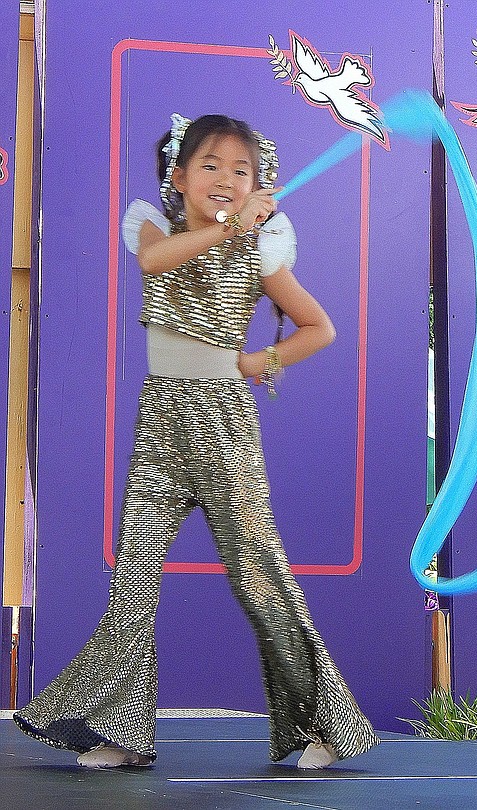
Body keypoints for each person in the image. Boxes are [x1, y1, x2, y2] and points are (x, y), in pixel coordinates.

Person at [13, 113, 380, 770]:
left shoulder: (259, 248)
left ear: (257, 186)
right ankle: (122, 733)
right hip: (160, 420)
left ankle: (330, 729)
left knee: (258, 579)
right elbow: (157, 262)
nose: (226, 179)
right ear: (179, 177)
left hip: (223, 424)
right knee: (134, 583)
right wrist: (230, 226)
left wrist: (257, 363)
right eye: (211, 165)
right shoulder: (149, 225)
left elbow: (318, 328)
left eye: (242, 171)